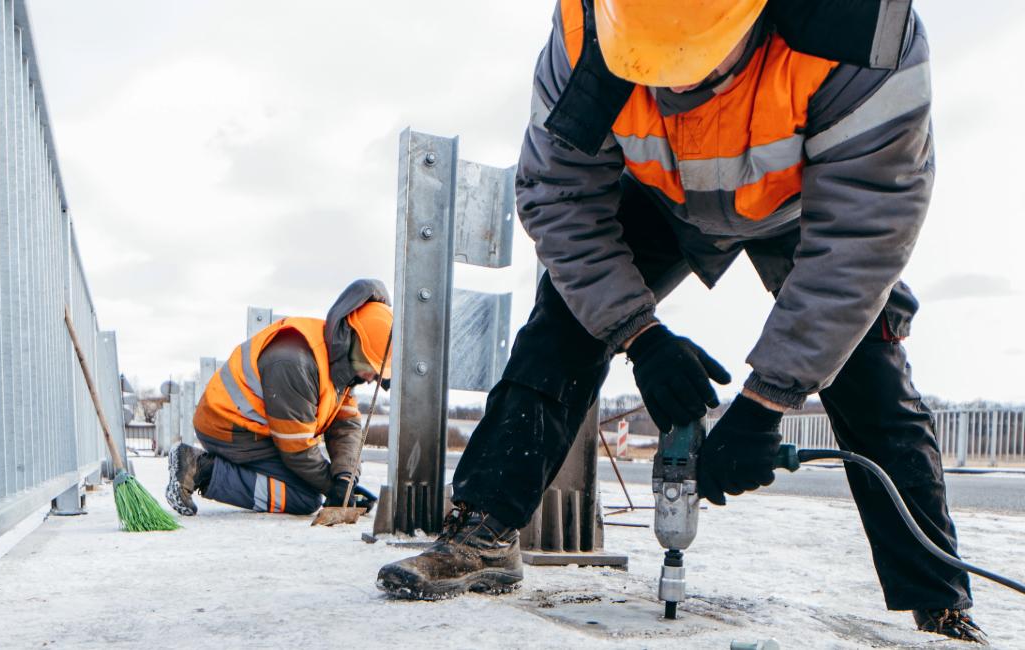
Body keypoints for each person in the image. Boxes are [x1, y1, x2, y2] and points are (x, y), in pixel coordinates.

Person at [376, 0, 986, 643]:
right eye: (650, 63)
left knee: (871, 367)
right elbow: (559, 199)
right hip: (657, 196)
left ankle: (938, 602)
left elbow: (864, 239)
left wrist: (766, 400)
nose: (671, 85)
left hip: (800, 201)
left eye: (690, 63)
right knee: (562, 325)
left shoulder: (862, 35)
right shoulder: (587, 33)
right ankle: (483, 532)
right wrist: (640, 336)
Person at [166, 279, 391, 518]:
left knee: (310, 486)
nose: (371, 379)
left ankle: (206, 467)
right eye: (371, 368)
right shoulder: (294, 363)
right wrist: (332, 489)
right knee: (304, 497)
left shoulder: (339, 365)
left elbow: (345, 425)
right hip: (229, 427)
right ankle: (200, 467)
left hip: (258, 430)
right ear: (355, 345)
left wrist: (346, 479)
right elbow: (296, 449)